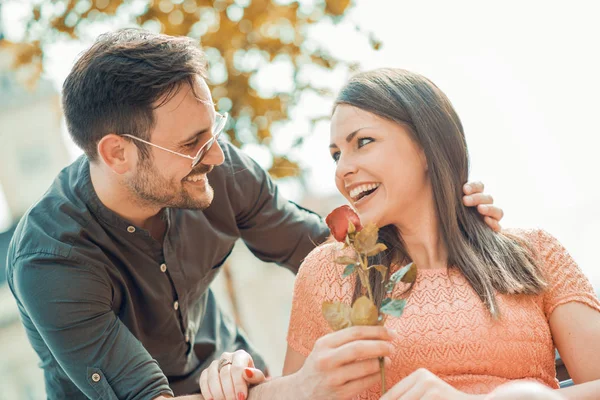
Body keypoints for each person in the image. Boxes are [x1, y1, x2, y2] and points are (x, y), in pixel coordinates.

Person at [5, 29, 502, 400]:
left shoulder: (214, 170)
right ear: (117, 154)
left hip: (244, 382)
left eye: (212, 128)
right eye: (191, 143)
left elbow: (325, 254)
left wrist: (444, 226)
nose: (217, 155)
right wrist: (298, 388)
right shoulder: (51, 262)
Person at [207, 69, 600, 400]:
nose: (343, 169)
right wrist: (242, 381)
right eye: (336, 155)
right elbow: (301, 391)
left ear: (427, 145)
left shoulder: (535, 252)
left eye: (363, 142)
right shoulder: (330, 270)